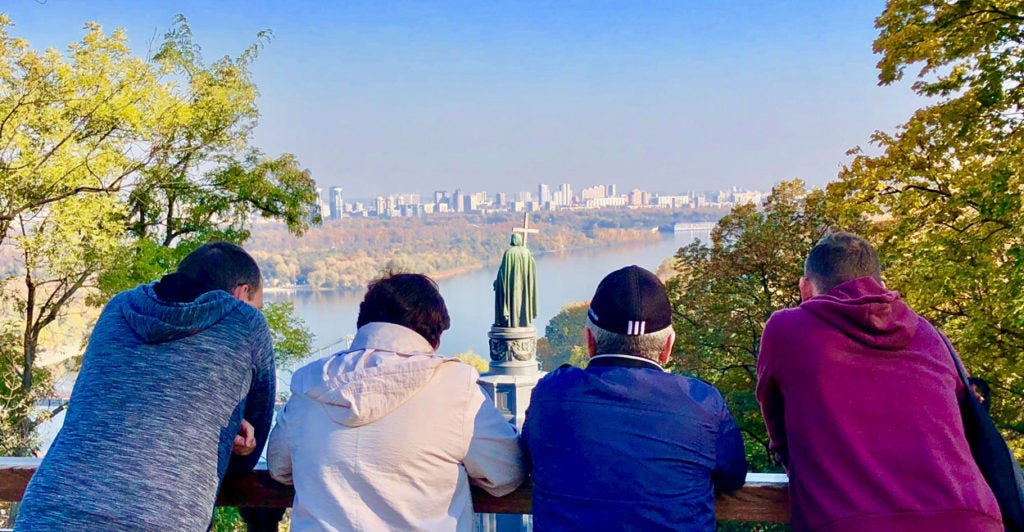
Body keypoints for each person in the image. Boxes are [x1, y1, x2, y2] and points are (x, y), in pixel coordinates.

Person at [16, 241, 275, 531]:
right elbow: (247, 453)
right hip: (157, 519)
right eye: (257, 305)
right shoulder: (246, 321)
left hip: (49, 508)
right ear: (241, 294)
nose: (257, 312)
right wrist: (233, 441)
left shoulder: (119, 307)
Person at [756, 232, 1002, 531]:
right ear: (882, 286)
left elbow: (780, 433)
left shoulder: (786, 329)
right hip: (967, 516)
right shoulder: (928, 333)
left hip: (850, 520)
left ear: (805, 288)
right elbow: (966, 418)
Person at [268, 272, 525, 531]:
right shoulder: (456, 386)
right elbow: (506, 473)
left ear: (363, 322)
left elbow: (279, 468)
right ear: (435, 336)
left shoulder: (308, 384)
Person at [521, 265, 747, 530]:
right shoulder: (702, 404)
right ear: (668, 347)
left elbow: (529, 459)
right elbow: (733, 478)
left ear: (590, 340)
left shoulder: (550, 396)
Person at [493, 232, 537, 327]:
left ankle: (511, 321)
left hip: (511, 286)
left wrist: (497, 282)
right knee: (523, 300)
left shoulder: (509, 253)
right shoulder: (526, 252)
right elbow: (532, 266)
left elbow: (503, 272)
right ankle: (523, 320)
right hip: (524, 285)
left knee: (511, 300)